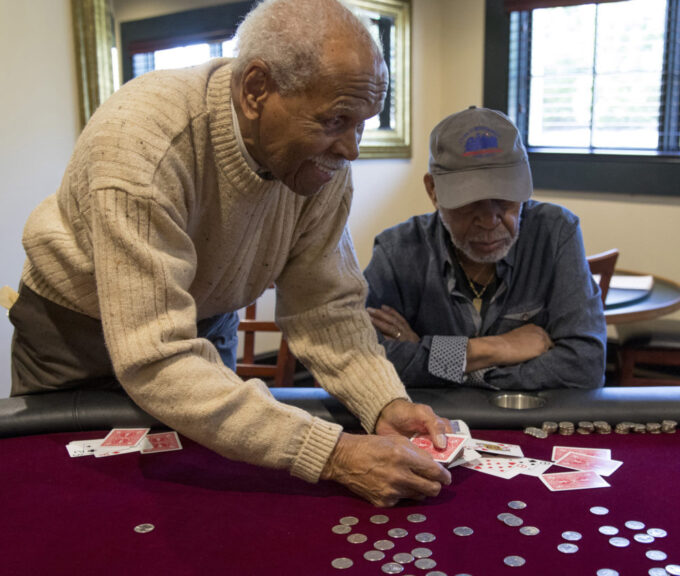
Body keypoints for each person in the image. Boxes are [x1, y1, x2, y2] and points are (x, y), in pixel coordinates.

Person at [9, 0, 451, 507]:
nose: (351, 149)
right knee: (67, 503)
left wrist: (383, 401)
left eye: (363, 123)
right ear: (256, 90)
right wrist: (333, 454)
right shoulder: (140, 143)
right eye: (336, 121)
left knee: (197, 497)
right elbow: (156, 360)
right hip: (73, 333)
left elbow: (324, 308)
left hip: (204, 319)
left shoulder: (321, 165)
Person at [363, 106, 607, 389]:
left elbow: (586, 365)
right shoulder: (398, 251)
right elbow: (365, 362)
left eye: (505, 198)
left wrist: (445, 364)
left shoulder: (556, 232)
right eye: (470, 202)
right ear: (433, 191)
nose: (490, 220)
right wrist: (492, 349)